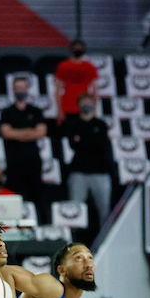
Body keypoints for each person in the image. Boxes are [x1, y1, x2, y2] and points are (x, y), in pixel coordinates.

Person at [0, 77, 47, 222]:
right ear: (13, 90)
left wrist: (17, 133)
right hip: (14, 162)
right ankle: (11, 226)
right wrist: (29, 133)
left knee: (38, 197)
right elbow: (6, 133)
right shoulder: (7, 112)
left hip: (33, 162)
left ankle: (42, 226)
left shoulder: (36, 111)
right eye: (17, 88)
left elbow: (41, 132)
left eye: (23, 87)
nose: (20, 90)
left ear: (27, 89)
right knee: (12, 197)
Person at [63, 93, 114, 223]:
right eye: (83, 102)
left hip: (100, 172)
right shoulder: (73, 124)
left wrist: (83, 140)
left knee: (105, 212)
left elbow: (101, 145)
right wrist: (90, 140)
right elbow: (73, 144)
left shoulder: (101, 124)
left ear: (94, 104)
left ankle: (105, 241)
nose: (86, 105)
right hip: (79, 172)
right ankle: (73, 242)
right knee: (74, 211)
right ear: (79, 104)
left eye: (89, 102)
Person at [53, 40, 98, 126]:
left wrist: (94, 110)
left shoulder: (90, 67)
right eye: (75, 48)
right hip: (67, 107)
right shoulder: (63, 66)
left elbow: (95, 91)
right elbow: (58, 90)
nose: (78, 50)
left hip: (85, 106)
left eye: (80, 48)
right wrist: (59, 110)